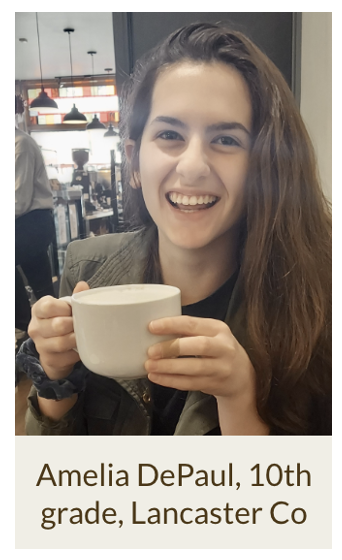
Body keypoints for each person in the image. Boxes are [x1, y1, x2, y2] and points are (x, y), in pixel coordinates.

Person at [16, 22, 331, 436]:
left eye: (226, 140)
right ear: (133, 162)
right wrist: (54, 376)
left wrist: (240, 402)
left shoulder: (314, 297)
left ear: (262, 164)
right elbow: (50, 485)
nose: (193, 166)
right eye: (169, 135)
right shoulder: (86, 272)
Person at [15, 94, 55, 335]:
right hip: (23, 224)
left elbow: (17, 201)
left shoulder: (20, 144)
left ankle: (21, 327)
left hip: (32, 223)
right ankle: (38, 328)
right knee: (42, 287)